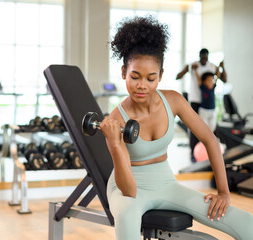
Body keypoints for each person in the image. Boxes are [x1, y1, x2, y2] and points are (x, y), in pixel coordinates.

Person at [100, 15, 253, 240]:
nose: (142, 85)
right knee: (126, 214)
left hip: (167, 184)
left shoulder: (173, 101)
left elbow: (210, 139)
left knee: (246, 223)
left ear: (160, 76)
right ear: (124, 73)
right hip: (128, 190)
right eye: (135, 77)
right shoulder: (116, 120)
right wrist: (114, 143)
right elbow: (129, 190)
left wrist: (223, 192)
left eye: (150, 78)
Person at [176, 48, 227, 162]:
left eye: (205, 57)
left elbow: (224, 79)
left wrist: (222, 67)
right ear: (199, 56)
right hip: (195, 101)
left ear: (207, 56)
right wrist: (188, 68)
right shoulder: (193, 65)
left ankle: (214, 153)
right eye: (201, 57)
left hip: (209, 105)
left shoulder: (212, 66)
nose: (203, 59)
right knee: (194, 129)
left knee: (212, 130)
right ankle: (193, 153)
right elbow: (178, 77)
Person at [193, 64, 224, 132]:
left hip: (213, 110)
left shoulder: (213, 88)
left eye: (212, 81)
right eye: (209, 81)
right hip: (204, 110)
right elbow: (199, 79)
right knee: (204, 127)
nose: (211, 83)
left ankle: (210, 139)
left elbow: (217, 77)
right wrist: (195, 70)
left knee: (212, 127)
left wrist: (218, 69)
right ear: (204, 82)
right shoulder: (203, 87)